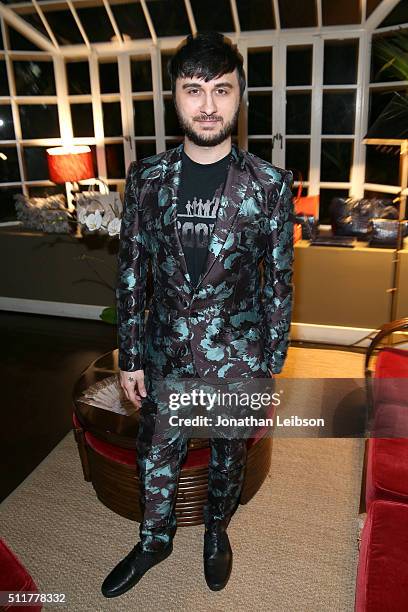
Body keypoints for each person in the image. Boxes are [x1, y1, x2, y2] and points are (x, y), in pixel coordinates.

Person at [101, 31, 294, 598]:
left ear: (240, 97)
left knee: (231, 451)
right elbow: (132, 271)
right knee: (157, 448)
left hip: (238, 354)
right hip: (164, 351)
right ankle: (154, 539)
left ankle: (216, 532)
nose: (208, 105)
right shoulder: (146, 179)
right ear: (175, 97)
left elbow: (279, 282)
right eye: (193, 90)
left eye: (221, 90)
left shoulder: (270, 185)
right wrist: (131, 355)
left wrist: (271, 360)